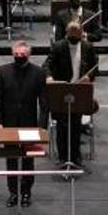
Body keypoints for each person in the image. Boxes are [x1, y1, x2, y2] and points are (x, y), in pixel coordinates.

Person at [0, 41, 47, 207]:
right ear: (13, 54)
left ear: (28, 55)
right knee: (11, 160)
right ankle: (13, 192)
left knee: (29, 159)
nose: (19, 57)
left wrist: (42, 127)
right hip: (9, 124)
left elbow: (44, 102)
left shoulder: (38, 72)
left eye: (22, 55)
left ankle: (26, 193)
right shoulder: (3, 71)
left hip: (29, 123)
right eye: (17, 55)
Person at [44, 21, 98, 168]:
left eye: (77, 34)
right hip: (62, 89)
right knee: (62, 125)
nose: (74, 37)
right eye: (71, 34)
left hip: (79, 90)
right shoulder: (58, 46)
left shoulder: (88, 47)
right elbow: (47, 65)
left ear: (81, 33)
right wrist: (49, 76)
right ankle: (63, 157)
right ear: (67, 33)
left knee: (75, 125)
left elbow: (95, 67)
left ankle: (75, 156)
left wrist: (89, 77)